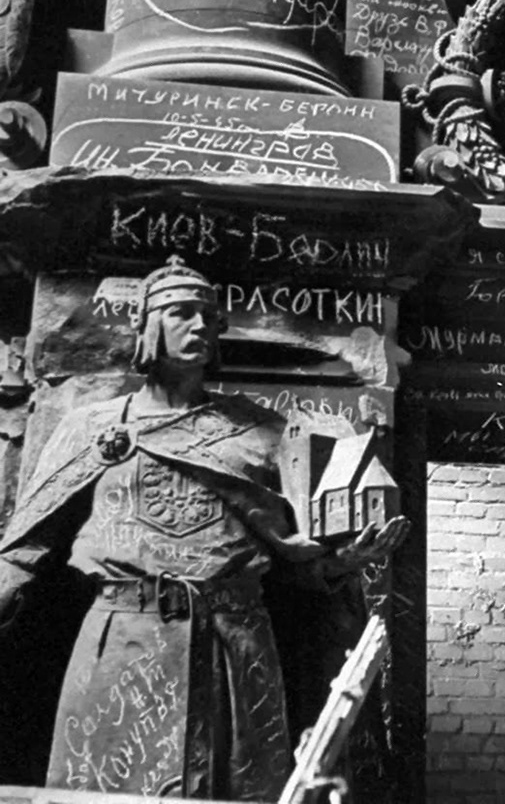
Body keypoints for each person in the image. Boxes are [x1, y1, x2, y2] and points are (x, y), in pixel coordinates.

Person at [0, 256, 407, 800]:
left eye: (207, 318)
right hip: (122, 641)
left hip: (233, 646)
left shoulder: (259, 432)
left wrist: (342, 563)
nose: (198, 327)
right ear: (146, 326)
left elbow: (296, 565)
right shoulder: (91, 429)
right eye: (180, 313)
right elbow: (24, 552)